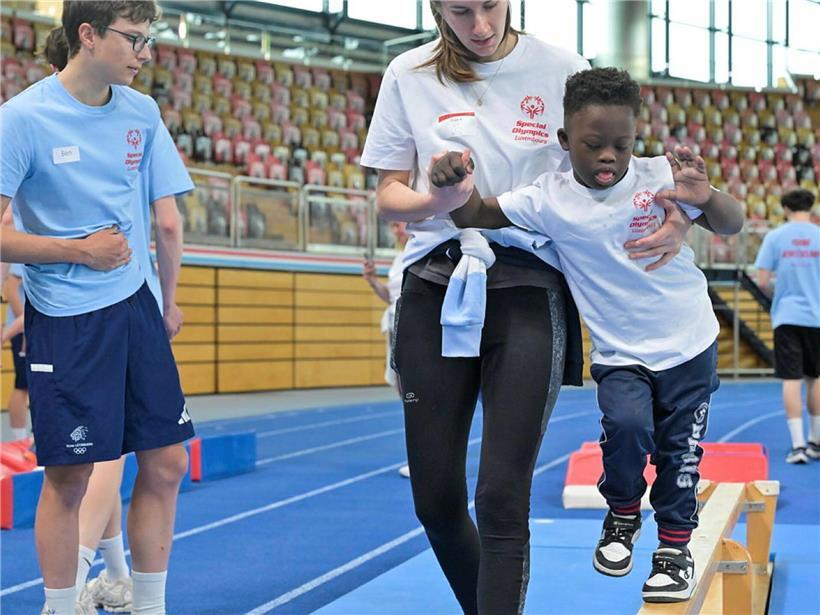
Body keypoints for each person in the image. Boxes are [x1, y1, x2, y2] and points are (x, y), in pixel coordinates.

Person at [360, 2, 697, 612]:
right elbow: (388, 195)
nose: (480, 25)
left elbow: (614, 167)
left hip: (527, 281)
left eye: (490, 5)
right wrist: (438, 195)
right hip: (436, 279)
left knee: (500, 497)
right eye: (461, 10)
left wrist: (678, 218)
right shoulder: (407, 73)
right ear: (436, 7)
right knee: (435, 500)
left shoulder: (562, 67)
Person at [427, 66, 744, 604]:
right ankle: (622, 513)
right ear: (563, 141)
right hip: (622, 353)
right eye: (594, 145)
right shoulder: (549, 198)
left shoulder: (659, 177)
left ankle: (673, 549)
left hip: (690, 341)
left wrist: (706, 195)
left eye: (622, 146)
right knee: (625, 427)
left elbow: (731, 222)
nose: (609, 158)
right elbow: (475, 214)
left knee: (680, 454)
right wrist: (453, 184)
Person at [0, 2, 194, 614]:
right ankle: (58, 607)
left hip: (136, 305)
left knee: (166, 462)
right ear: (87, 35)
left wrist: (166, 299)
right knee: (70, 475)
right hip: (66, 318)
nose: (145, 53)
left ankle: (148, 603)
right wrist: (76, 251)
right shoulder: (22, 119)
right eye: (134, 39)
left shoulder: (142, 111)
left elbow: (166, 219)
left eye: (149, 39)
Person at [754, 188, 820, 464]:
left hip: (787, 316)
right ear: (811, 206)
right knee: (815, 379)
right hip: (817, 317)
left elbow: (761, 279)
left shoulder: (776, 236)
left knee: (791, 380)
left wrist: (781, 293)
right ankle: (817, 441)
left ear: (785, 208)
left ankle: (798, 445)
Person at [362, 221, 410, 477]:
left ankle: (424, 457)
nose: (395, 229)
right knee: (404, 393)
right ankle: (420, 453)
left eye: (398, 224)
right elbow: (390, 296)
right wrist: (372, 282)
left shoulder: (419, 249)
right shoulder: (399, 256)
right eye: (393, 225)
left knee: (414, 394)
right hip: (393, 325)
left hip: (410, 325)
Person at [3, 263, 29, 441]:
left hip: (39, 325)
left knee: (37, 385)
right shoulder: (28, 237)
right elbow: (11, 288)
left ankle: (31, 438)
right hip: (22, 328)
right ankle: (18, 440)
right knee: (23, 384)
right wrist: (25, 326)